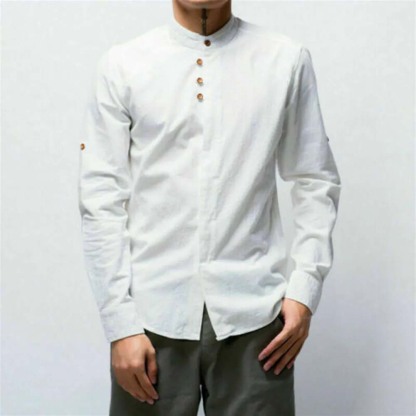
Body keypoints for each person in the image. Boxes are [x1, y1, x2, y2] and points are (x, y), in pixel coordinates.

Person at [77, 0, 342, 414]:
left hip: (256, 317)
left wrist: (305, 290)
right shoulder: (123, 65)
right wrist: (119, 324)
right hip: (150, 319)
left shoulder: (285, 59)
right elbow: (100, 199)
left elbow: (314, 178)